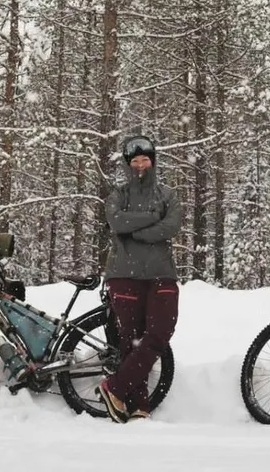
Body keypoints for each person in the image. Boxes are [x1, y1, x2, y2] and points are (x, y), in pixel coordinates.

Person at [98, 133, 183, 423]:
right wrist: (151, 217)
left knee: (159, 333)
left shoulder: (167, 195)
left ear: (153, 160)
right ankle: (138, 408)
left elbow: (172, 226)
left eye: (144, 159)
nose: (140, 165)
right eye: (134, 161)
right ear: (127, 164)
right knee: (129, 341)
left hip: (161, 273)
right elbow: (116, 221)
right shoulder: (118, 195)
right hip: (124, 273)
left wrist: (135, 231)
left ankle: (115, 388)